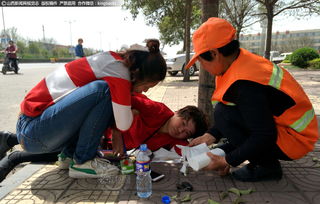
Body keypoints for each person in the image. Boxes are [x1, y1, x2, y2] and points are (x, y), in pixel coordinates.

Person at [186, 18, 319, 182]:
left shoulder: (245, 83)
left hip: (294, 140)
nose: (202, 68)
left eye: (202, 62)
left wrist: (227, 160)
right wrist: (212, 134)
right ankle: (255, 157)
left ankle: (267, 166)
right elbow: (243, 115)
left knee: (223, 113)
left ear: (214, 53)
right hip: (285, 128)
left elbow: (264, 134)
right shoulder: (239, 62)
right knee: (225, 113)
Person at [15, 39, 167, 179]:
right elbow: (124, 123)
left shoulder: (111, 61)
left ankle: (69, 156)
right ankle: (83, 162)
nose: (144, 91)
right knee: (103, 91)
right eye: (146, 86)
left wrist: (116, 127)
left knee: (103, 98)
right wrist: (130, 114)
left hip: (35, 130)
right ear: (137, 74)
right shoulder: (119, 72)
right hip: (33, 132)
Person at [0, 94, 208, 181]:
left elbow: (189, 151)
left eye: (186, 133)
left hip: (104, 148)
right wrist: (117, 130)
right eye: (183, 124)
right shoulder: (157, 110)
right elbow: (119, 99)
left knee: (58, 155)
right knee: (55, 148)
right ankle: (13, 156)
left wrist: (207, 143)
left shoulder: (172, 139)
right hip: (95, 130)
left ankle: (9, 142)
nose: (181, 132)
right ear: (177, 113)